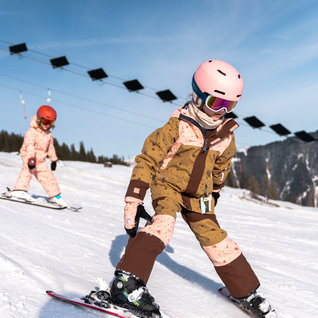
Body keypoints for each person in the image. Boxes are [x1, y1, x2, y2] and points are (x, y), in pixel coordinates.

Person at [85, 60, 277, 318]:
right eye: (215, 103)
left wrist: (215, 192)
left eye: (229, 105)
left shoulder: (226, 136)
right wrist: (134, 198)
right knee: (163, 224)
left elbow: (221, 168)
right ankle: (126, 285)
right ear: (197, 96)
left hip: (199, 196)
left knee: (218, 240)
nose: (221, 111)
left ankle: (246, 292)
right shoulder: (177, 126)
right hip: (168, 186)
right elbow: (148, 159)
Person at [7, 105, 67, 208]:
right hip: (29, 156)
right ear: (39, 119)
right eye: (45, 122)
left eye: (51, 123)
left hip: (41, 159)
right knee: (27, 172)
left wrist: (53, 159)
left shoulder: (48, 134)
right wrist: (30, 158)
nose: (47, 125)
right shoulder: (31, 132)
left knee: (48, 177)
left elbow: (50, 147)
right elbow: (29, 145)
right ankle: (19, 190)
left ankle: (54, 196)